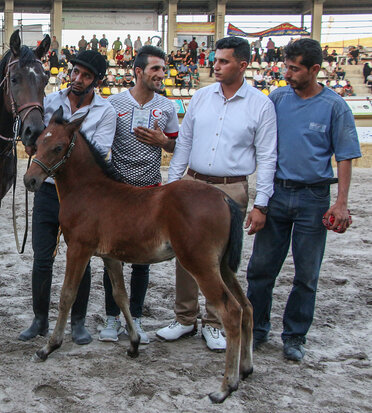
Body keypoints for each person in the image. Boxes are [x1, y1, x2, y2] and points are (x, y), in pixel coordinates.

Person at [155, 36, 277, 352]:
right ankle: (184, 318)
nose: (216, 66)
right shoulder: (201, 97)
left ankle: (213, 322)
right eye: (216, 60)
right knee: (184, 253)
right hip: (192, 184)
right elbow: (184, 142)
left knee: (219, 259)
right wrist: (173, 181)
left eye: (223, 61)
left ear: (243, 65)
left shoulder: (261, 105)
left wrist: (261, 202)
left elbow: (267, 156)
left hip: (230, 186)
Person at [246, 38, 361, 362]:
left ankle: (295, 336)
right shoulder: (278, 98)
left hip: (314, 198)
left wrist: (340, 203)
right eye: (286, 66)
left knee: (307, 274)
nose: (287, 73)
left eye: (294, 68)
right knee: (260, 269)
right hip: (277, 193)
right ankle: (256, 330)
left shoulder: (335, 106)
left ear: (314, 69)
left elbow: (345, 157)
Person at [18, 50, 116, 345]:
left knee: (81, 257)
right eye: (75, 72)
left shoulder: (106, 112)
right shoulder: (49, 102)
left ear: (96, 81)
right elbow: (36, 135)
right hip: (49, 191)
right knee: (42, 257)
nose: (77, 79)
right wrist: (32, 145)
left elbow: (98, 152)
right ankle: (39, 320)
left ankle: (78, 321)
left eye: (85, 75)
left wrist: (52, 153)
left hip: (82, 197)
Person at [98, 46, 179, 345]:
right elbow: (102, 146)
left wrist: (163, 141)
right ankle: (111, 318)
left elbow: (175, 147)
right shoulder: (113, 104)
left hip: (150, 193)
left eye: (163, 69)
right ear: (138, 72)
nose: (162, 74)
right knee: (112, 257)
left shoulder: (167, 107)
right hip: (118, 196)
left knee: (142, 260)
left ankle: (138, 319)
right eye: (155, 69)